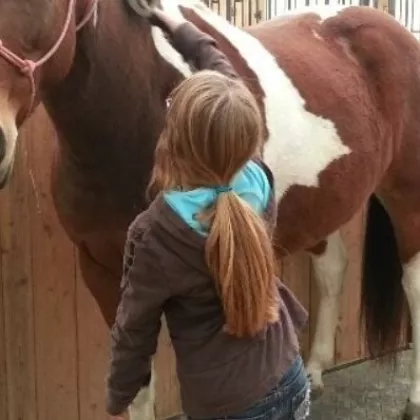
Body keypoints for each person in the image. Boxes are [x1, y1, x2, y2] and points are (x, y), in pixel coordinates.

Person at [106, 8, 310, 420]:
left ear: (173, 141)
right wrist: (178, 25)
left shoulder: (155, 234)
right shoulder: (257, 176)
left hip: (225, 406)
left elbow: (134, 330)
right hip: (290, 376)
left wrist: (119, 394)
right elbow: (227, 81)